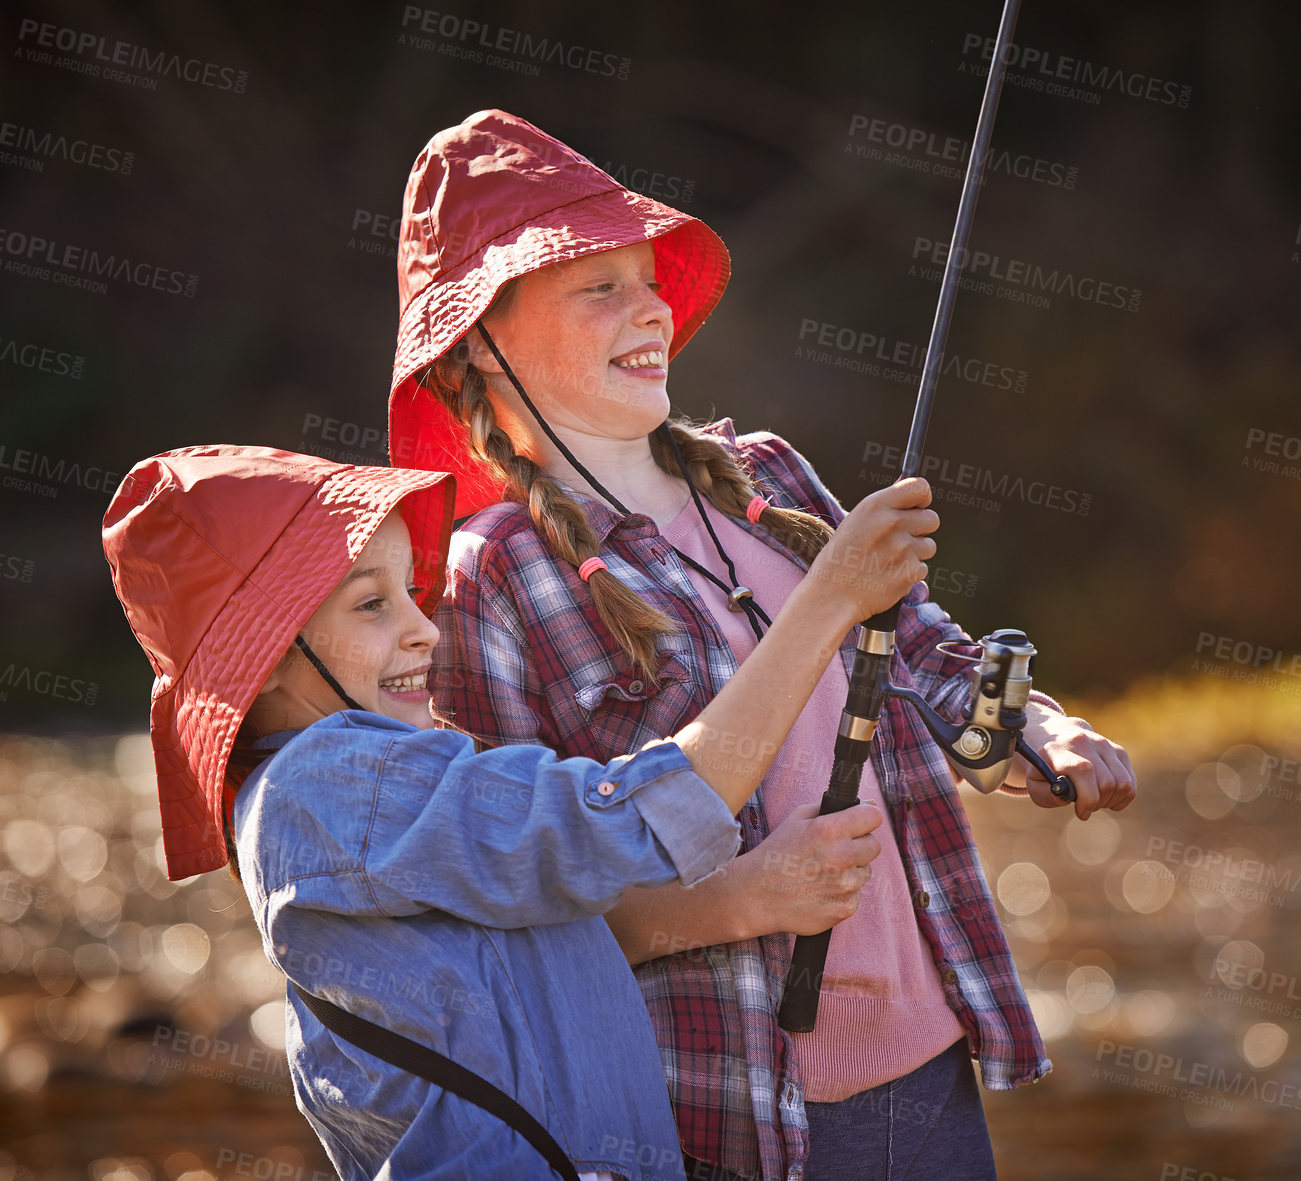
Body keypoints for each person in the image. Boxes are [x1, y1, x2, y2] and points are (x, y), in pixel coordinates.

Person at [388, 109, 1138, 1181]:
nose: (647, 306)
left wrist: (1036, 726)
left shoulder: (771, 476)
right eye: (596, 286)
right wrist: (733, 899)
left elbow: (921, 645)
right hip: (729, 1113)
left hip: (929, 1058)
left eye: (647, 279)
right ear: (480, 345)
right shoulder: (486, 576)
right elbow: (509, 923)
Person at [100, 444, 937, 1180]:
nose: (425, 628)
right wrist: (828, 599)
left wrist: (743, 896)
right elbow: (631, 818)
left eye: (412, 592)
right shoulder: (336, 778)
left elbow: (553, 918)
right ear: (267, 656)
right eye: (370, 604)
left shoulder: (332, 791)